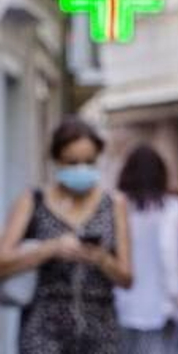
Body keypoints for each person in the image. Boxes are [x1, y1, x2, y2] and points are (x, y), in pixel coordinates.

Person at [0, 116, 133, 353]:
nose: (81, 169)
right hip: (42, 330)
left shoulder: (114, 203)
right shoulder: (33, 201)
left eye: (89, 162)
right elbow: (2, 262)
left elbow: (127, 278)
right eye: (72, 162)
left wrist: (100, 258)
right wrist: (50, 248)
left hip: (100, 330)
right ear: (57, 160)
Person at [114, 144, 178, 353]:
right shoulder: (173, 208)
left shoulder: (117, 207)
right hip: (161, 307)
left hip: (122, 305)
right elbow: (170, 253)